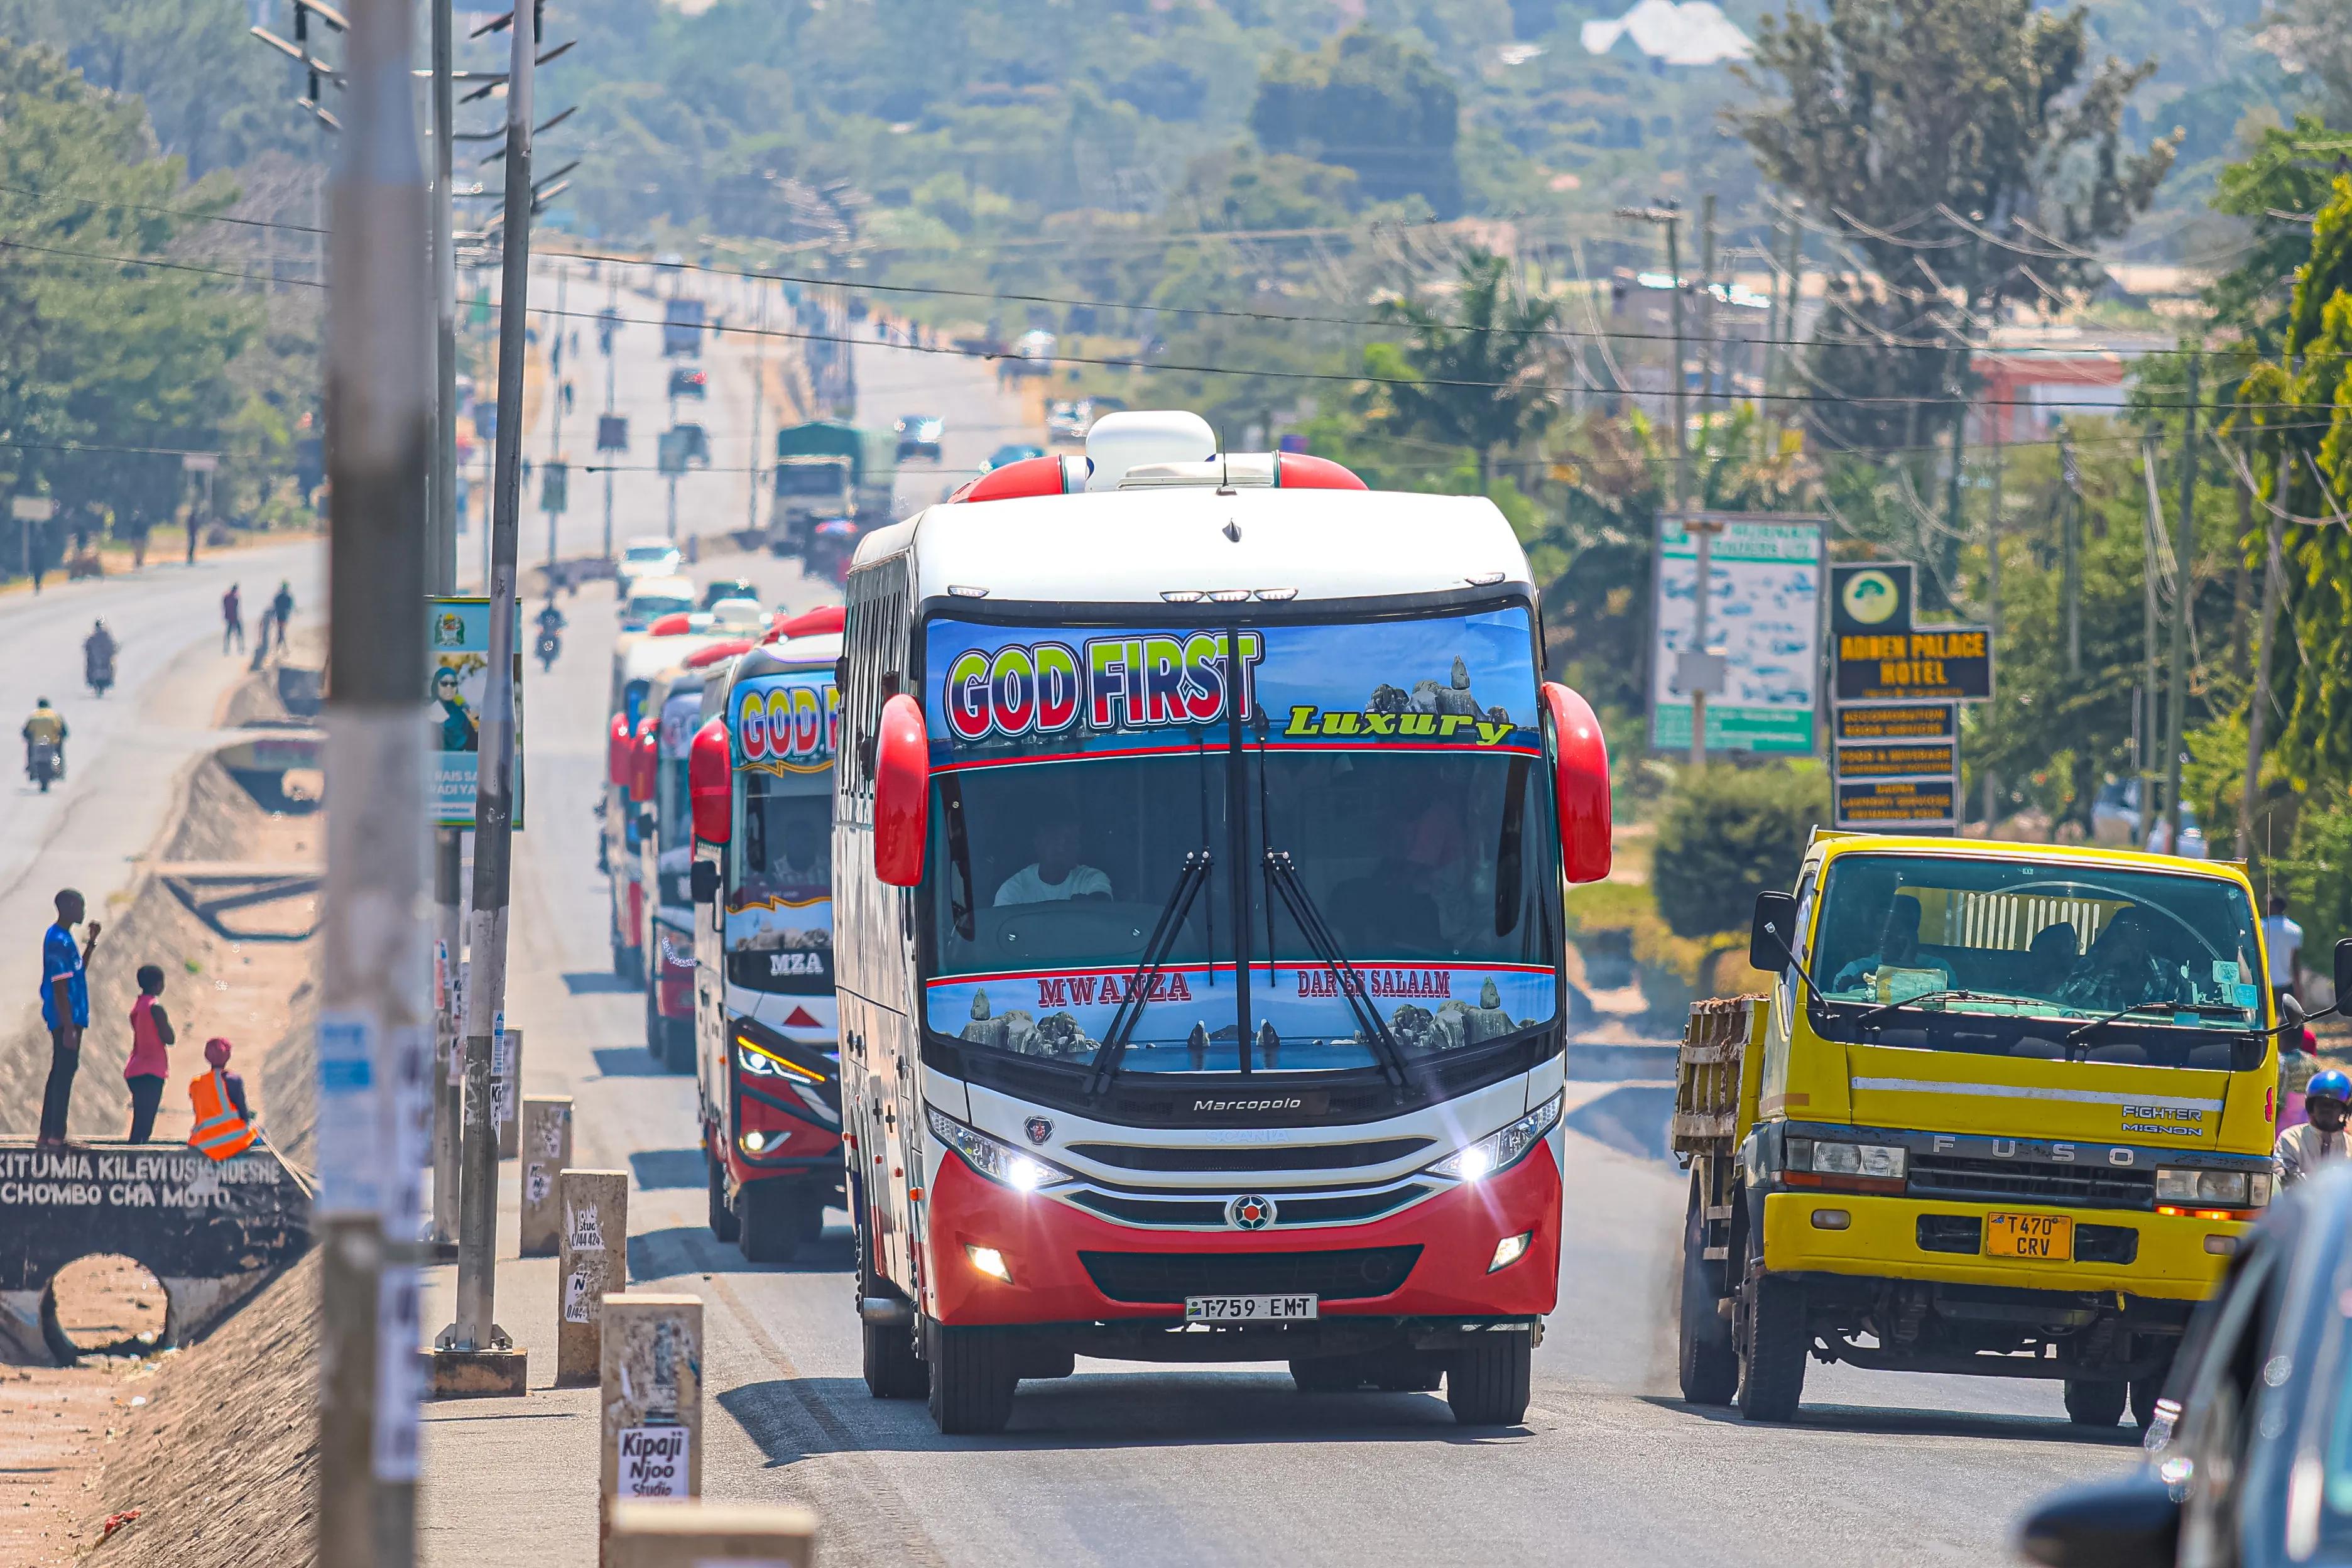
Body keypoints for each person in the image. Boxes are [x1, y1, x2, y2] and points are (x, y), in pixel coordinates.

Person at [36, 889, 101, 1147]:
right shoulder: (57, 940)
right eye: (80, 906)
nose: (83, 911)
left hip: (71, 1017)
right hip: (65, 1018)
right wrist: (68, 1027)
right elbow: (60, 986)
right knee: (64, 1071)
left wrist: (91, 944)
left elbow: (77, 972)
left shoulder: (67, 939)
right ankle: (56, 1135)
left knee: (62, 1070)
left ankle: (48, 1133)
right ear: (68, 906)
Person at [1830, 895, 1956, 995]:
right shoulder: (1854, 970)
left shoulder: (1939, 969)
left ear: (1912, 932)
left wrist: (1908, 962)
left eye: (1896, 927)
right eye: (1881, 928)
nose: (1887, 935)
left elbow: (1952, 1004)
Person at [2053, 909, 2172, 1013]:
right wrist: (2101, 967)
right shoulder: (2090, 965)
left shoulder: (2168, 971)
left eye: (2136, 927)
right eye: (2121, 930)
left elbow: (2184, 1015)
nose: (2128, 936)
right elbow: (2061, 1003)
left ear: (2147, 936)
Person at [994, 818, 1110, 906]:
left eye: (1072, 840)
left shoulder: (1091, 879)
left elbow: (1102, 907)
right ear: (1038, 843)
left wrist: (1090, 904)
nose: (1062, 847)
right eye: (1055, 839)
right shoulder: (1013, 889)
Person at [124, 964, 177, 1143]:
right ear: (158, 985)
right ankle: (135, 1158)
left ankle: (132, 1152)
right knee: (146, 1123)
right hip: (152, 1070)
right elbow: (169, 1038)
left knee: (140, 1118)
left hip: (135, 1068)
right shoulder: (156, 1008)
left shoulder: (137, 1006)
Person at [2276, 1069, 2348, 1188]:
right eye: (2322, 1104)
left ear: (2344, 1110)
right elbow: (2285, 1177)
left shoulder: (2349, 1146)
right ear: (2311, 1107)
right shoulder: (2290, 1139)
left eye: (2334, 1105)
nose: (2327, 1109)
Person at [186, 1037, 256, 1160]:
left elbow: (199, 1113)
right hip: (235, 1141)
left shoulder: (195, 1084)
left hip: (204, 1145)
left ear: (207, 1057)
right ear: (228, 1055)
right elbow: (244, 1115)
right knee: (262, 1134)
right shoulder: (233, 1080)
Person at [2262, 893, 2304, 1012]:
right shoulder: (2295, 929)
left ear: (2273, 906)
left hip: (2264, 983)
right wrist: (2299, 987)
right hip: (2285, 984)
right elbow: (2295, 961)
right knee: (2285, 1023)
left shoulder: (2261, 926)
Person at [433, 666, 479, 753]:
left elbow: (475, 747)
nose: (449, 687)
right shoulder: (428, 713)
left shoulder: (462, 715)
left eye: (453, 684)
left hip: (461, 764)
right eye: (444, 683)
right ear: (436, 685)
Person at [23, 695, 66, 776]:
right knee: (57, 754)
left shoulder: (33, 716)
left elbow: (26, 732)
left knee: (31, 751)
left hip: (37, 742)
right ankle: (58, 768)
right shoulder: (55, 716)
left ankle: (30, 767)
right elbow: (64, 732)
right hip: (52, 742)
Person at [84, 619, 116, 685]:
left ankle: (90, 680)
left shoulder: (93, 637)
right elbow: (112, 647)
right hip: (102, 661)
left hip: (98, 661)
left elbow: (87, 646)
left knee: (90, 665)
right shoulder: (106, 637)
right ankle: (110, 680)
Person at [268, 580, 295, 653]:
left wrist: (273, 617)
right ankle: (283, 649)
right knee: (281, 632)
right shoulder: (287, 597)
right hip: (284, 617)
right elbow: (290, 607)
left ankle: (279, 649)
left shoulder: (279, 596)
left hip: (280, 617)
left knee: (281, 632)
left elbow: (274, 607)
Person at [222, 583, 245, 653]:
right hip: (235, 618)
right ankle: (241, 648)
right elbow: (236, 609)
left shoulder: (226, 597)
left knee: (228, 635)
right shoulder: (235, 598)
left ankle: (226, 649)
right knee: (239, 634)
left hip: (228, 618)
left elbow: (224, 607)